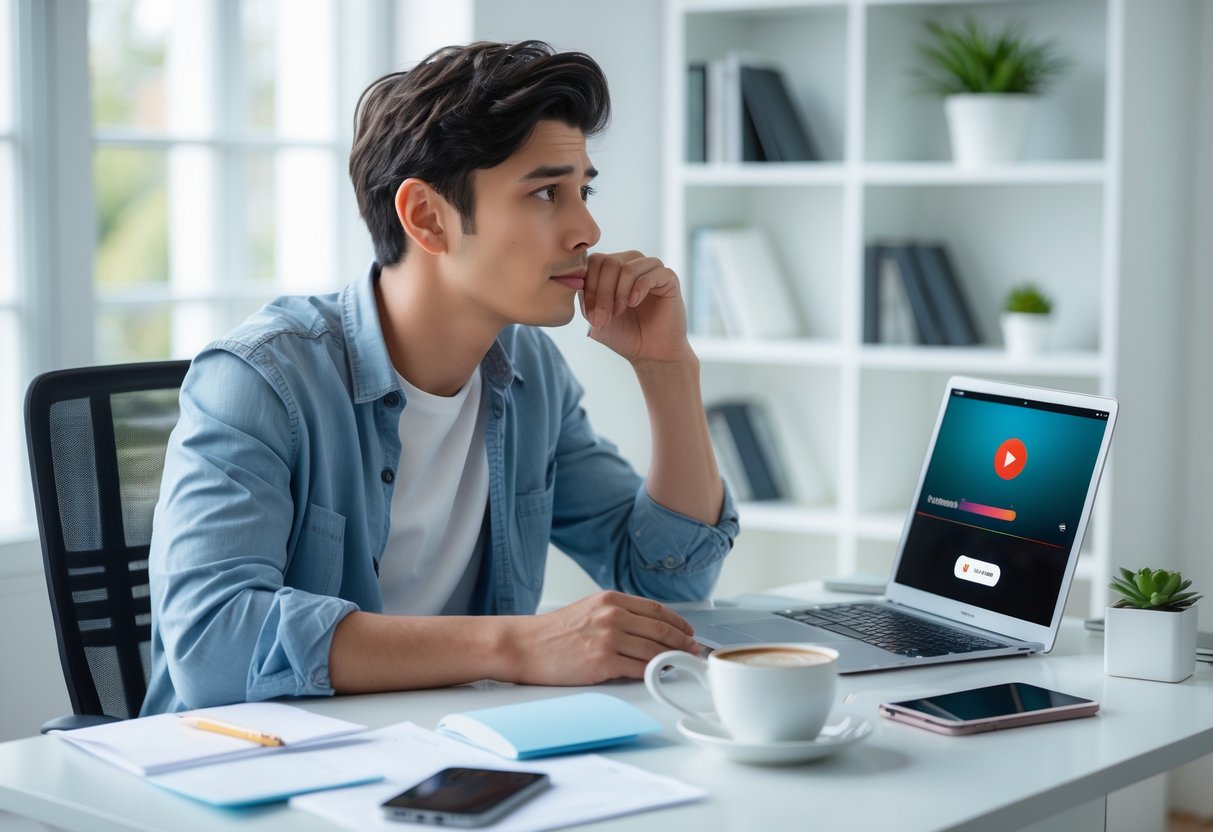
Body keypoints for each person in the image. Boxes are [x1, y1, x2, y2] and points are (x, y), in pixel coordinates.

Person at [142, 40, 738, 715]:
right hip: (251, 776)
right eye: (545, 191)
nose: (587, 228)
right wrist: (514, 646)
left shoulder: (529, 373)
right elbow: (211, 646)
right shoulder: (260, 381)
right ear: (427, 217)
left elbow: (669, 584)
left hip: (447, 754)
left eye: (583, 189)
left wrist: (667, 368)